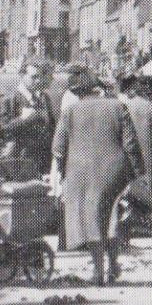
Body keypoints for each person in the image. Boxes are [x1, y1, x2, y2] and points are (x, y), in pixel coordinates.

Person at [53, 76, 141, 285]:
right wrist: (137, 174)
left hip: (80, 172)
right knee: (111, 217)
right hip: (114, 171)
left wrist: (61, 174)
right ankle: (113, 265)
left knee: (90, 219)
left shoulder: (69, 112)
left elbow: (58, 149)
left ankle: (98, 271)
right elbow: (130, 145)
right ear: (98, 90)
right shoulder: (118, 107)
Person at [119, 75, 152, 228]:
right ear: (151, 92)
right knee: (150, 189)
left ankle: (132, 219)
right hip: (150, 156)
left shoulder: (125, 105)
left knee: (131, 187)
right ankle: (146, 221)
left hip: (129, 154)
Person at [1, 59, 56, 180]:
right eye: (33, 77)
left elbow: (51, 129)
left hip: (41, 164)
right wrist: (22, 119)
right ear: (22, 75)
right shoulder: (10, 99)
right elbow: (1, 130)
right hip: (19, 163)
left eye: (39, 77)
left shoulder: (44, 98)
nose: (37, 81)